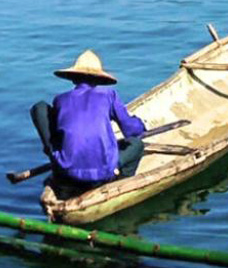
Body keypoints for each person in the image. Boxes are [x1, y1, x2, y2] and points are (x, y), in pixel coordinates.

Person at [31, 50, 147, 192]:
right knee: (137, 144)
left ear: (73, 79)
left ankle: (58, 167)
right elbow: (131, 130)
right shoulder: (109, 95)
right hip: (102, 175)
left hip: (67, 173)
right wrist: (140, 125)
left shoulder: (60, 100)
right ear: (99, 80)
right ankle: (121, 180)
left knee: (40, 108)